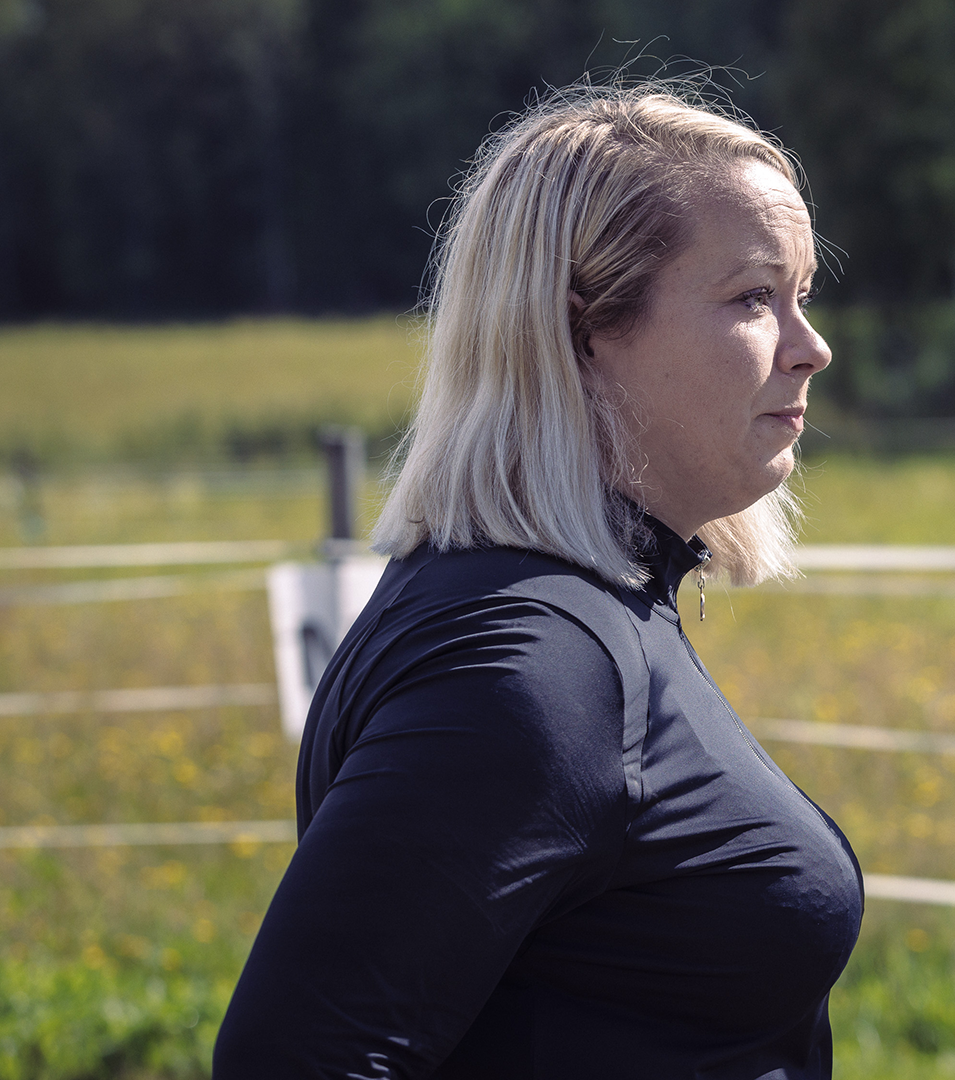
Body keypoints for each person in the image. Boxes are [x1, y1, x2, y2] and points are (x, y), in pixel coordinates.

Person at [214, 84, 859, 1078]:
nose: (811, 348)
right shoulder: (529, 660)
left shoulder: (569, 613)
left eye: (801, 296)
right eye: (752, 298)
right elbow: (298, 1059)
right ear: (582, 328)